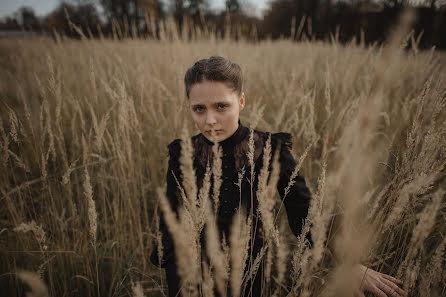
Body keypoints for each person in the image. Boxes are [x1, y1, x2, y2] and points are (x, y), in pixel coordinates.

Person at [150, 56, 407, 297]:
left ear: (240, 101)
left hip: (250, 280)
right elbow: (170, 223)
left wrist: (350, 264)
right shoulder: (182, 153)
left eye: (221, 106)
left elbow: (304, 209)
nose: (210, 120)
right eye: (199, 109)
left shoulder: (269, 150)